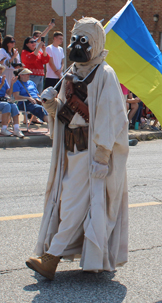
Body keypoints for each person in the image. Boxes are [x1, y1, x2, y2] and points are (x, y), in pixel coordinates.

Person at [25, 17, 129, 280]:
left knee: (74, 202)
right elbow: (62, 113)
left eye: (84, 41)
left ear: (95, 43)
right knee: (66, 201)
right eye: (74, 39)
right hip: (68, 150)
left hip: (90, 152)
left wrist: (103, 155)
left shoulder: (105, 74)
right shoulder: (71, 72)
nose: (77, 46)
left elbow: (113, 117)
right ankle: (60, 254)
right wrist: (50, 105)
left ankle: (51, 258)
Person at [0, 67, 24, 137]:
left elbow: (9, 93)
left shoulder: (3, 79)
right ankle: (4, 128)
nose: (0, 71)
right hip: (2, 102)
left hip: (2, 100)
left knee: (13, 105)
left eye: (1, 69)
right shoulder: (3, 81)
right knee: (6, 105)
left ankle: (16, 129)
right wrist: (1, 84)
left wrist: (12, 84)